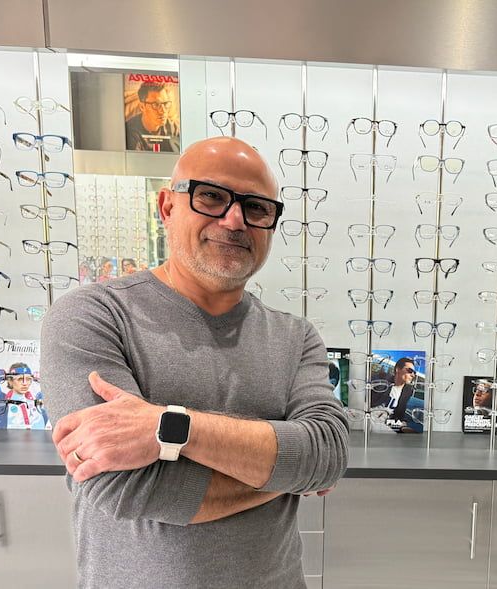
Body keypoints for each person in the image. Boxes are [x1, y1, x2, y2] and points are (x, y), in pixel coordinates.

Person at [43, 136, 348, 588]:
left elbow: (327, 454)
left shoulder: (295, 336)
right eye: (211, 196)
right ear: (167, 207)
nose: (234, 220)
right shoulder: (92, 317)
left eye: (257, 208)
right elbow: (122, 488)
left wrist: (168, 429)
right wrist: (284, 470)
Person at [125, 83, 180, 152]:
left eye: (165, 104)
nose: (163, 111)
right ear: (142, 107)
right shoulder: (130, 131)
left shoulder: (172, 128)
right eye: (156, 104)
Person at [3, 362, 50, 430]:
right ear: (10, 381)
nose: (25, 383)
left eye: (28, 379)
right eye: (20, 379)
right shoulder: (3, 400)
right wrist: (1, 374)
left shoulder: (36, 397)